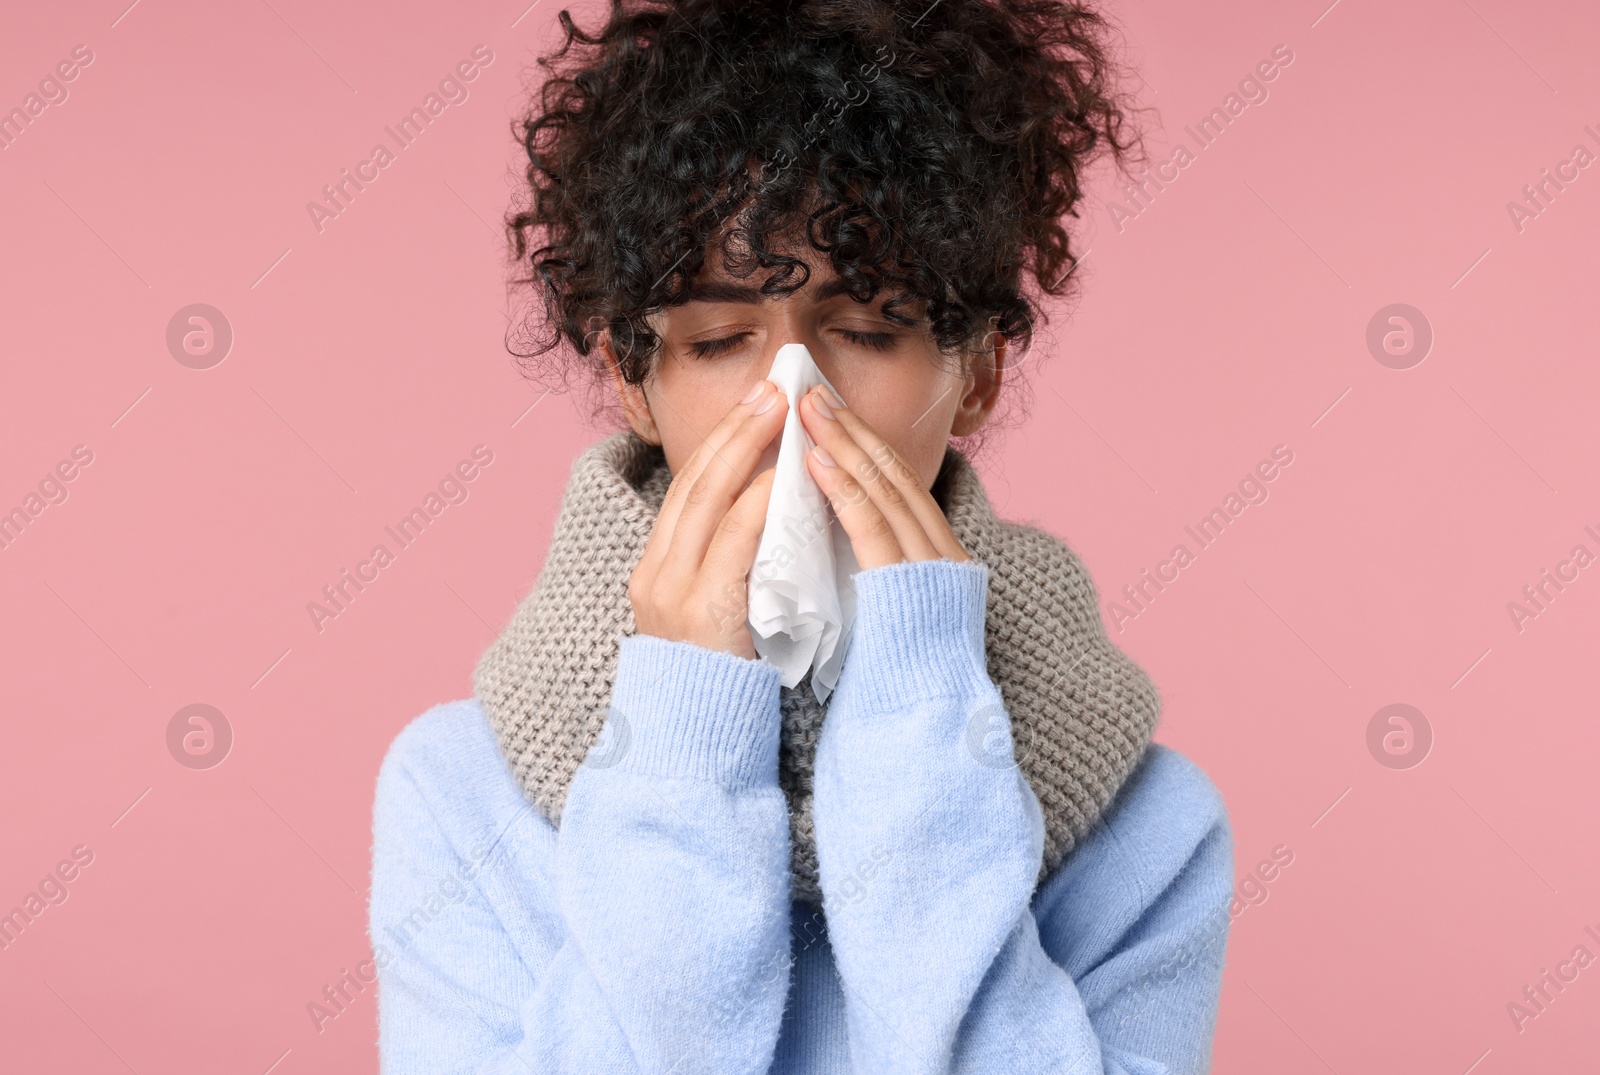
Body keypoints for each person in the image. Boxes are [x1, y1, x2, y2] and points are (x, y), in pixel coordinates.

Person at [369, 0, 1234, 1070]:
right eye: (723, 338)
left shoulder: (1146, 828)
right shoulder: (457, 795)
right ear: (632, 384)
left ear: (975, 372)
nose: (791, 397)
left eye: (868, 329)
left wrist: (923, 706)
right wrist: (680, 730)